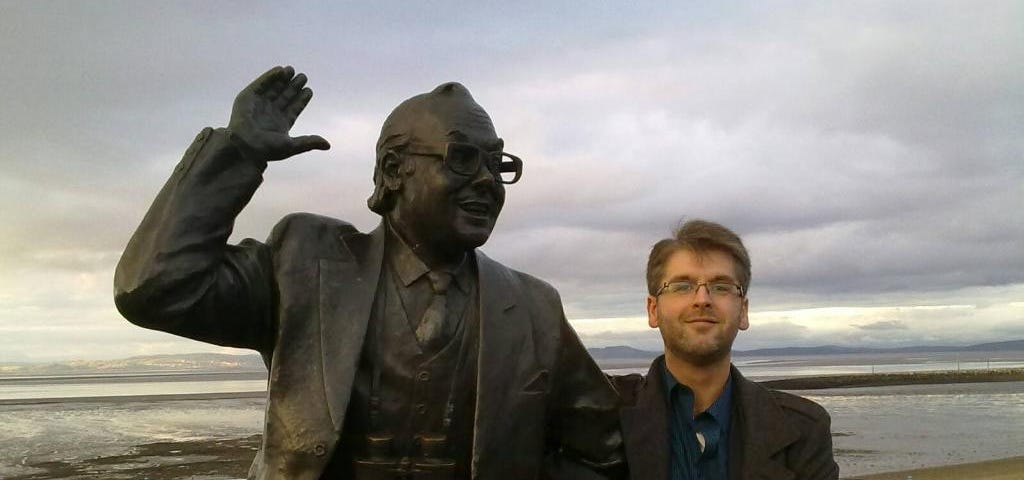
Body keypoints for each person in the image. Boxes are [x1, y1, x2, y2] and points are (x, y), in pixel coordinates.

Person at [114, 66, 622, 480]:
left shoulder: (533, 307)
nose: (489, 181)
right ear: (394, 170)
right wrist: (238, 153)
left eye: (498, 163)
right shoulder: (303, 264)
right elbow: (154, 288)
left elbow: (601, 452)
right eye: (463, 158)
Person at [611, 220, 838, 480]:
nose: (702, 299)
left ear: (743, 311)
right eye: (682, 286)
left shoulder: (803, 428)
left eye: (721, 287)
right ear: (653, 310)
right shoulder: (605, 415)